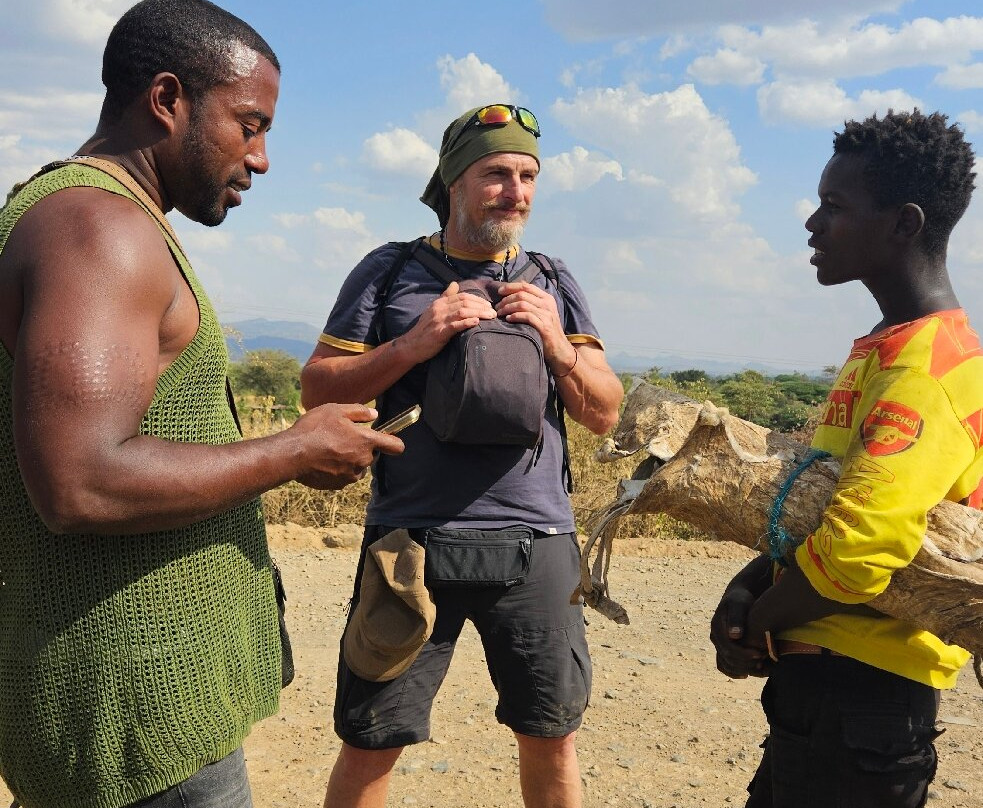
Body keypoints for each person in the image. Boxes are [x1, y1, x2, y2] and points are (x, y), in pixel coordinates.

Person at [0, 1, 402, 806]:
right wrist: (291, 450)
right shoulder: (96, 230)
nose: (260, 158)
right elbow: (80, 481)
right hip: (131, 723)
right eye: (247, 124)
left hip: (142, 711)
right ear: (167, 99)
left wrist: (296, 452)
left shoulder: (113, 222)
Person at [301, 103, 624, 807]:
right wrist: (413, 343)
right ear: (453, 183)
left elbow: (603, 412)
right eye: (496, 174)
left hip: (537, 542)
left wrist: (557, 344)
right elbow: (315, 389)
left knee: (550, 734)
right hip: (409, 543)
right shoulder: (388, 273)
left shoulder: (552, 280)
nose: (515, 191)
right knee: (371, 738)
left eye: (527, 176)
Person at [710, 109, 982, 808]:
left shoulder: (923, 370)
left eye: (833, 206)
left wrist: (760, 623)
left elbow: (861, 547)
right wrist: (745, 588)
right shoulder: (884, 348)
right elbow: (817, 508)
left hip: (864, 702)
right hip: (825, 697)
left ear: (904, 224)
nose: (811, 223)